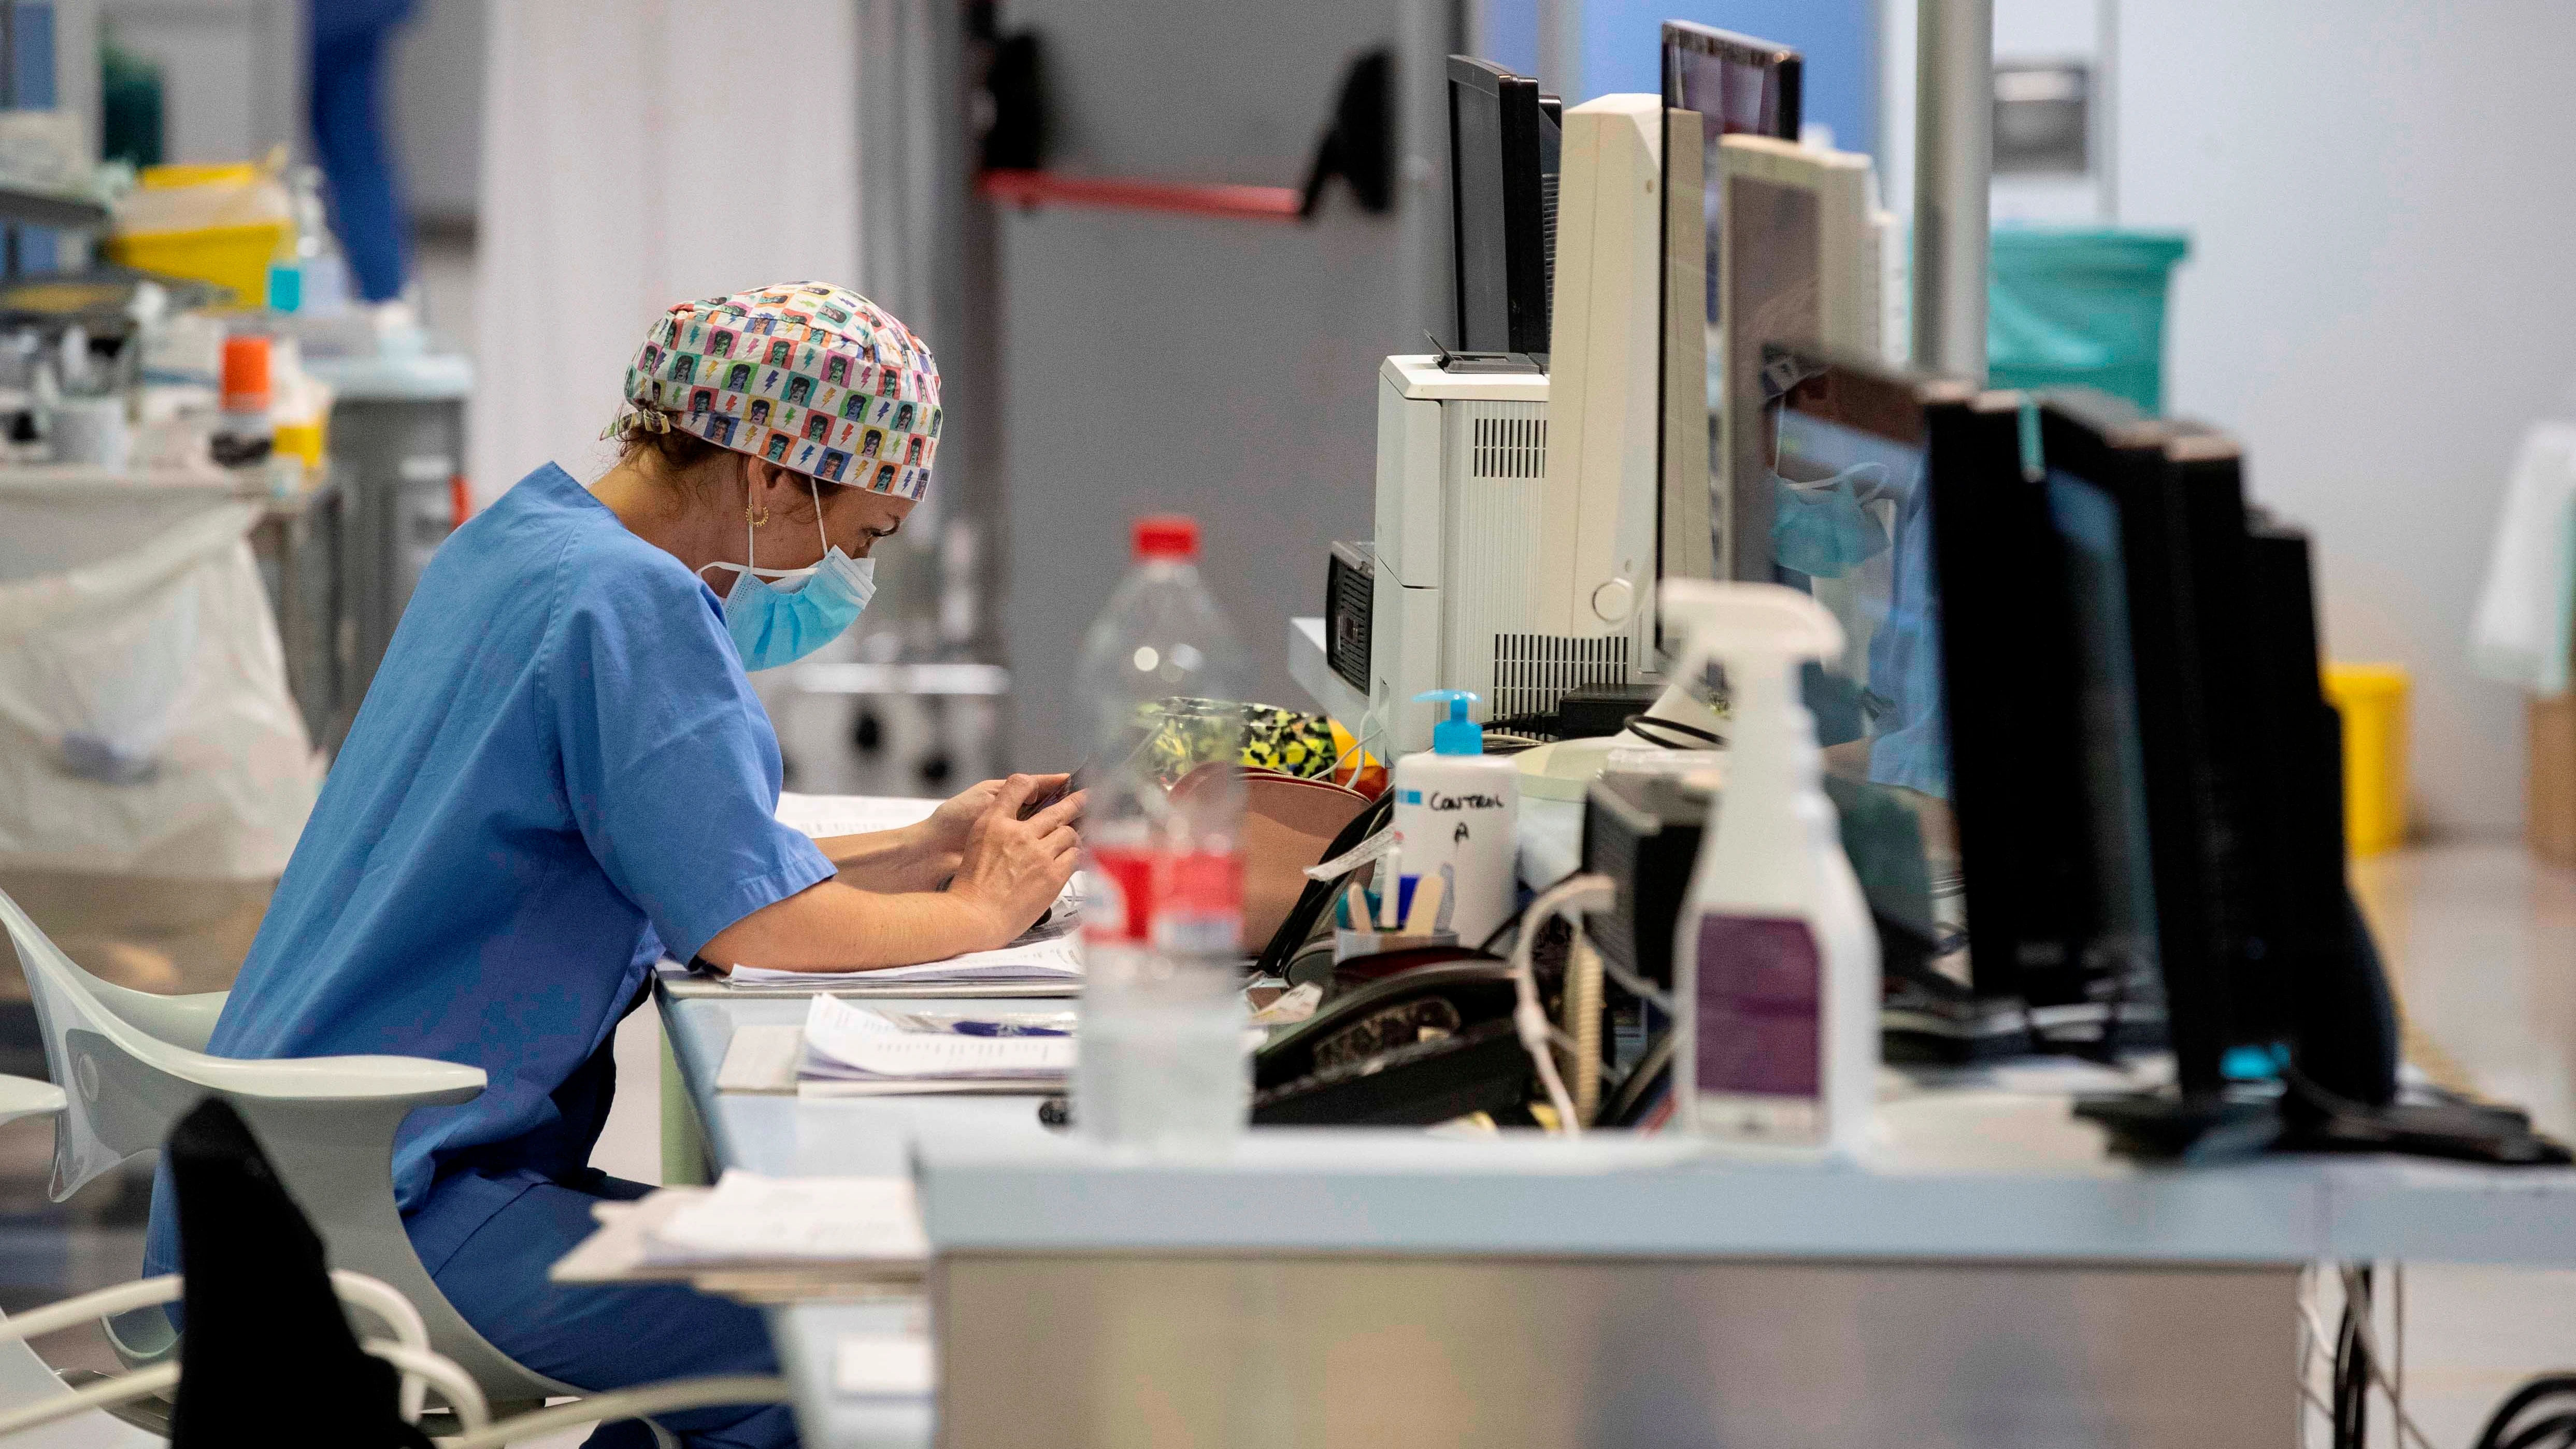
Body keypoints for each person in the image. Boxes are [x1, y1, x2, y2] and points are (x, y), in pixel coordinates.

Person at [141, 283, 1070, 1449]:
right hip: (398, 1203)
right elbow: (759, 930)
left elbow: (694, 853)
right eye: (860, 535)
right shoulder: (633, 604)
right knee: (839, 1336)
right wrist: (981, 915)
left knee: (801, 1307)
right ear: (773, 477)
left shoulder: (525, 543)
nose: (852, 572)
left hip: (304, 1171)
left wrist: (922, 847)